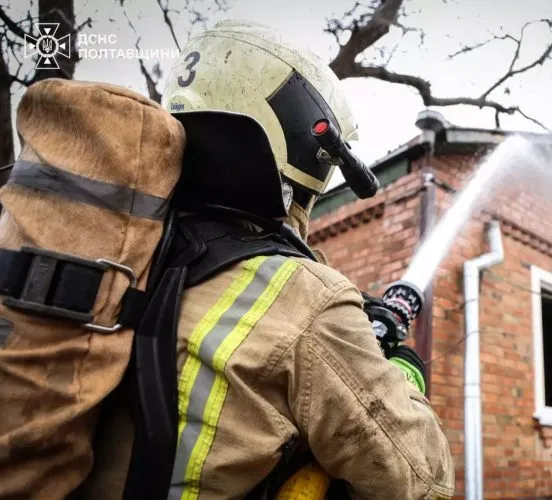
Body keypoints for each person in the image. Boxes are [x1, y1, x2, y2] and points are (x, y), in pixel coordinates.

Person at [84, 20, 455, 500]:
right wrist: (404, 370)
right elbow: (424, 480)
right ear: (305, 140)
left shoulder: (120, 248)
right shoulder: (304, 298)